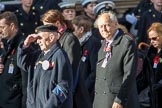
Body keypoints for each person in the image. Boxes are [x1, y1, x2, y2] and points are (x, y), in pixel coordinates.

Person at [17, 24, 73, 108]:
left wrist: (50, 105)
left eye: (40, 38)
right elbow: (22, 63)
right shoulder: (38, 55)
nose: (37, 41)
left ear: (51, 38)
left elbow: (63, 86)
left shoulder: (59, 55)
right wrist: (26, 45)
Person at [93, 11, 139, 108]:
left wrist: (120, 99)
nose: (103, 29)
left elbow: (129, 74)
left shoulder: (126, 42)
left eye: (107, 25)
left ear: (116, 24)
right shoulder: (102, 45)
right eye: (101, 27)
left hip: (118, 102)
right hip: (101, 102)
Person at [41, 9, 81, 85]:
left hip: (64, 86)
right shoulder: (54, 38)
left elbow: (71, 67)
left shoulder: (69, 39)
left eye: (48, 26)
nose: (46, 30)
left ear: (57, 23)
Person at [72, 15, 101, 108]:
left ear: (81, 29)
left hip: (88, 92)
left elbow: (95, 70)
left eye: (73, 29)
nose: (72, 32)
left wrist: (84, 88)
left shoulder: (93, 43)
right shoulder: (78, 43)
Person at [0, 11, 24, 108]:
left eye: (2, 27)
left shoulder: (23, 46)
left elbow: (26, 80)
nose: (0, 30)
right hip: (3, 99)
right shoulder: (4, 44)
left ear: (12, 26)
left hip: (14, 102)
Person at [137, 22, 162, 108]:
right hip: (154, 98)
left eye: (154, 38)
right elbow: (144, 76)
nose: (152, 41)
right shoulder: (151, 53)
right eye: (150, 39)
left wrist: (160, 84)